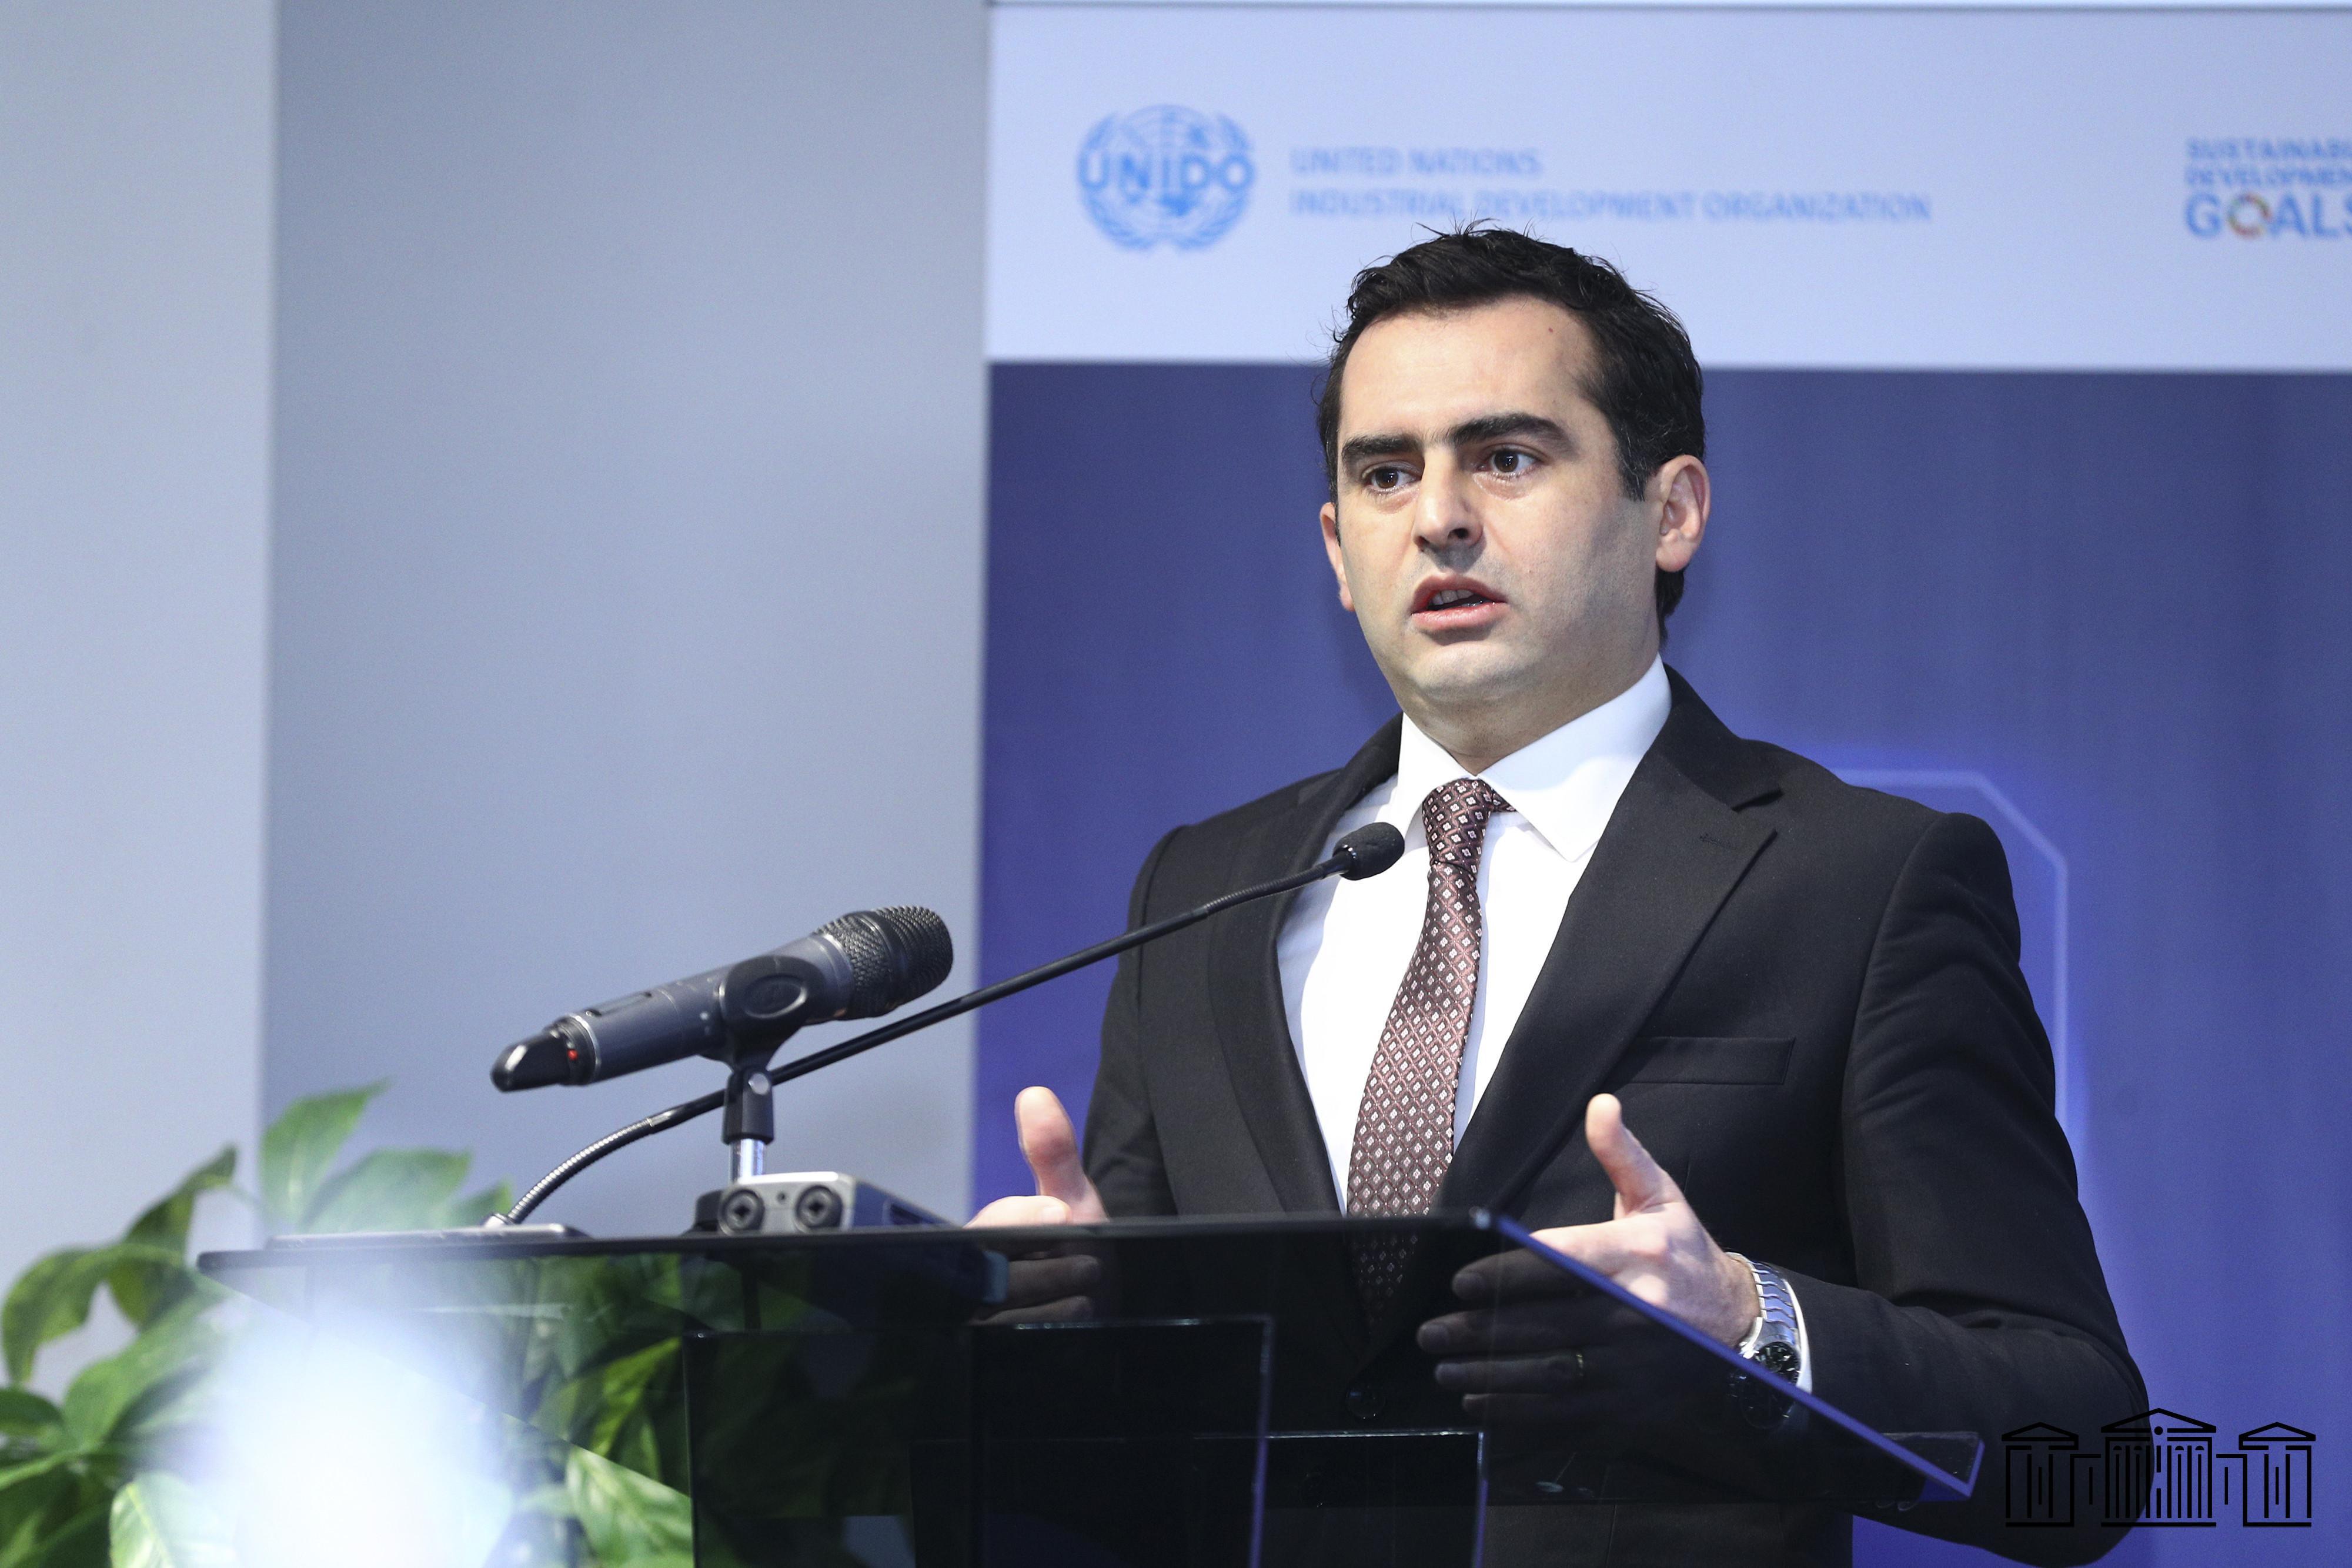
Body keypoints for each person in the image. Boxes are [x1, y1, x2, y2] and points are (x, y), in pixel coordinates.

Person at [973, 226, 2143, 1566]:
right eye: (1384, 472)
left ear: (1672, 511)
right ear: (1338, 549)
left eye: (1507, 457)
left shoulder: (1859, 884)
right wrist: (1079, 1337)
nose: (1438, 516)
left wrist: (1746, 1321)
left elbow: (2081, 1453)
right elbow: (1153, 1407)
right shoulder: (1208, 889)